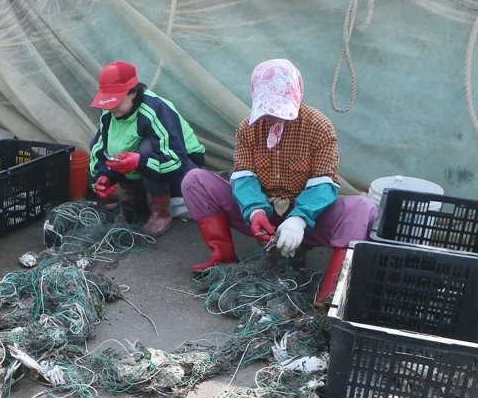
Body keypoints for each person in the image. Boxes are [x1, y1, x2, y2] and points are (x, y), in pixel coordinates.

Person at [182, 59, 376, 307]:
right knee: (194, 180)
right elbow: (244, 175)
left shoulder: (319, 125)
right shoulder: (247, 128)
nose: (273, 115)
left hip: (308, 217)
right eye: (268, 108)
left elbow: (324, 182)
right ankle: (223, 256)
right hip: (264, 213)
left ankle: (329, 295)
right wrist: (255, 211)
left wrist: (299, 219)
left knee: (363, 208)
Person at [88, 61, 205, 236]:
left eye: (116, 101)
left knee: (147, 148)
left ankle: (161, 211)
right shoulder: (109, 114)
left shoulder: (155, 110)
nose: (110, 106)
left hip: (183, 170)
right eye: (107, 101)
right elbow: (100, 149)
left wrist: (139, 162)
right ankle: (135, 199)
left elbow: (174, 160)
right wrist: (104, 176)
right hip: (146, 167)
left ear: (133, 93)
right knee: (95, 141)